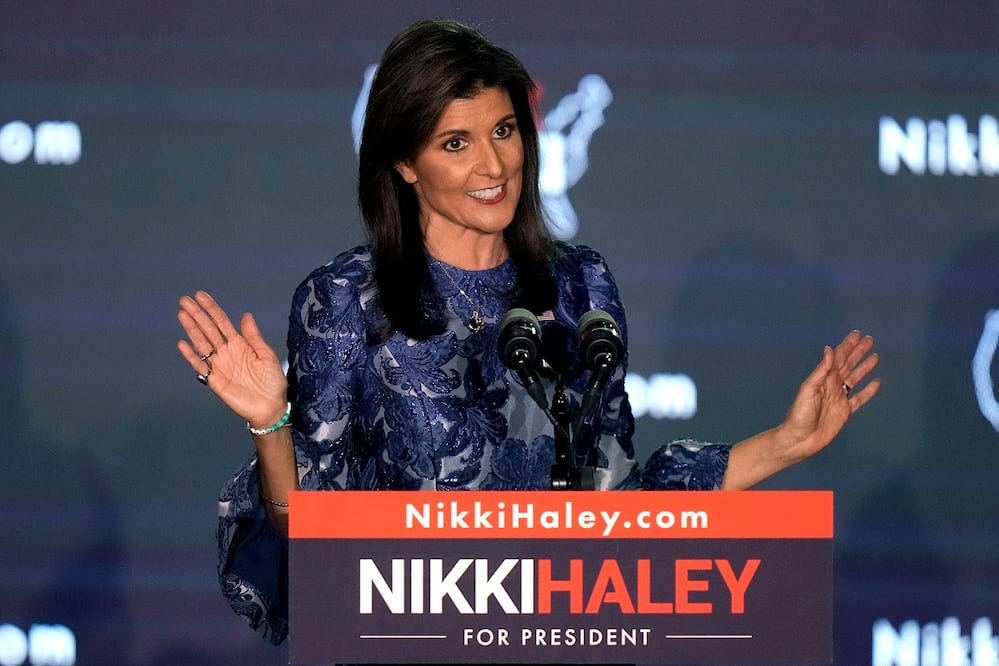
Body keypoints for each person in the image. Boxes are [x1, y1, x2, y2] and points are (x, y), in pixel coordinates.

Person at [176, 18, 880, 646]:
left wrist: (783, 445)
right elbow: (313, 536)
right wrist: (272, 423)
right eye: (456, 142)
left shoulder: (580, 285)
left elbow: (611, 505)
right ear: (403, 162)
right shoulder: (345, 301)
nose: (493, 166)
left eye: (504, 130)